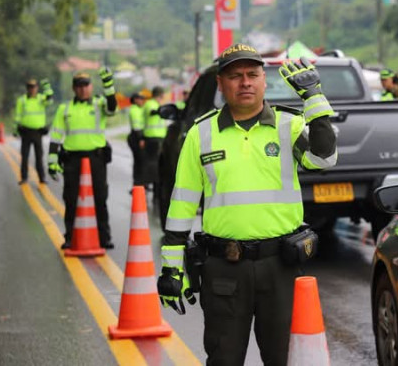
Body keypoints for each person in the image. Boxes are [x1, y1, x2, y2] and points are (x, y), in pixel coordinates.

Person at [157, 43, 337, 365]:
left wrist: (314, 99)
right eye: (235, 76)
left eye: (253, 75)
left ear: (264, 81)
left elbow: (323, 159)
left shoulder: (288, 125)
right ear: (220, 84)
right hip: (223, 269)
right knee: (224, 359)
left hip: (280, 267)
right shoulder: (201, 134)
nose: (245, 83)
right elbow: (182, 203)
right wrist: (171, 268)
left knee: (283, 359)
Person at [47, 69, 117, 249]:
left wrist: (109, 86)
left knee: (100, 198)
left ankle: (104, 237)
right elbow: (56, 136)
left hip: (96, 158)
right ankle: (70, 237)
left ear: (91, 87)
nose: (83, 89)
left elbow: (112, 108)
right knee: (71, 199)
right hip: (72, 160)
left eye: (86, 85)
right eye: (79, 86)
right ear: (74, 88)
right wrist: (52, 161)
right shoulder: (65, 109)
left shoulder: (99, 104)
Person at [14, 78, 53, 184]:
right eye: (30, 87)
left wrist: (46, 86)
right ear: (27, 88)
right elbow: (17, 115)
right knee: (24, 156)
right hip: (26, 131)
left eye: (34, 87)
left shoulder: (41, 98)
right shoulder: (22, 100)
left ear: (37, 88)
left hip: (38, 132)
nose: (32, 89)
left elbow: (50, 99)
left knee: (39, 156)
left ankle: (42, 177)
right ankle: (24, 177)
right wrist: (16, 129)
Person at [142, 86, 167, 193]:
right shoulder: (150, 104)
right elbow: (152, 112)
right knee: (152, 162)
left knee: (157, 162)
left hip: (160, 138)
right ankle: (150, 182)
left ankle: (155, 183)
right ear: (160, 95)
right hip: (152, 137)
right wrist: (160, 111)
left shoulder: (157, 104)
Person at [127, 92, 146, 188]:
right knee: (139, 161)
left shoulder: (139, 109)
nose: (142, 101)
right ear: (135, 100)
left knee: (141, 161)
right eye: (140, 99)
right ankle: (138, 184)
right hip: (136, 138)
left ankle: (141, 183)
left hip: (139, 137)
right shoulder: (134, 110)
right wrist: (141, 139)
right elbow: (137, 127)